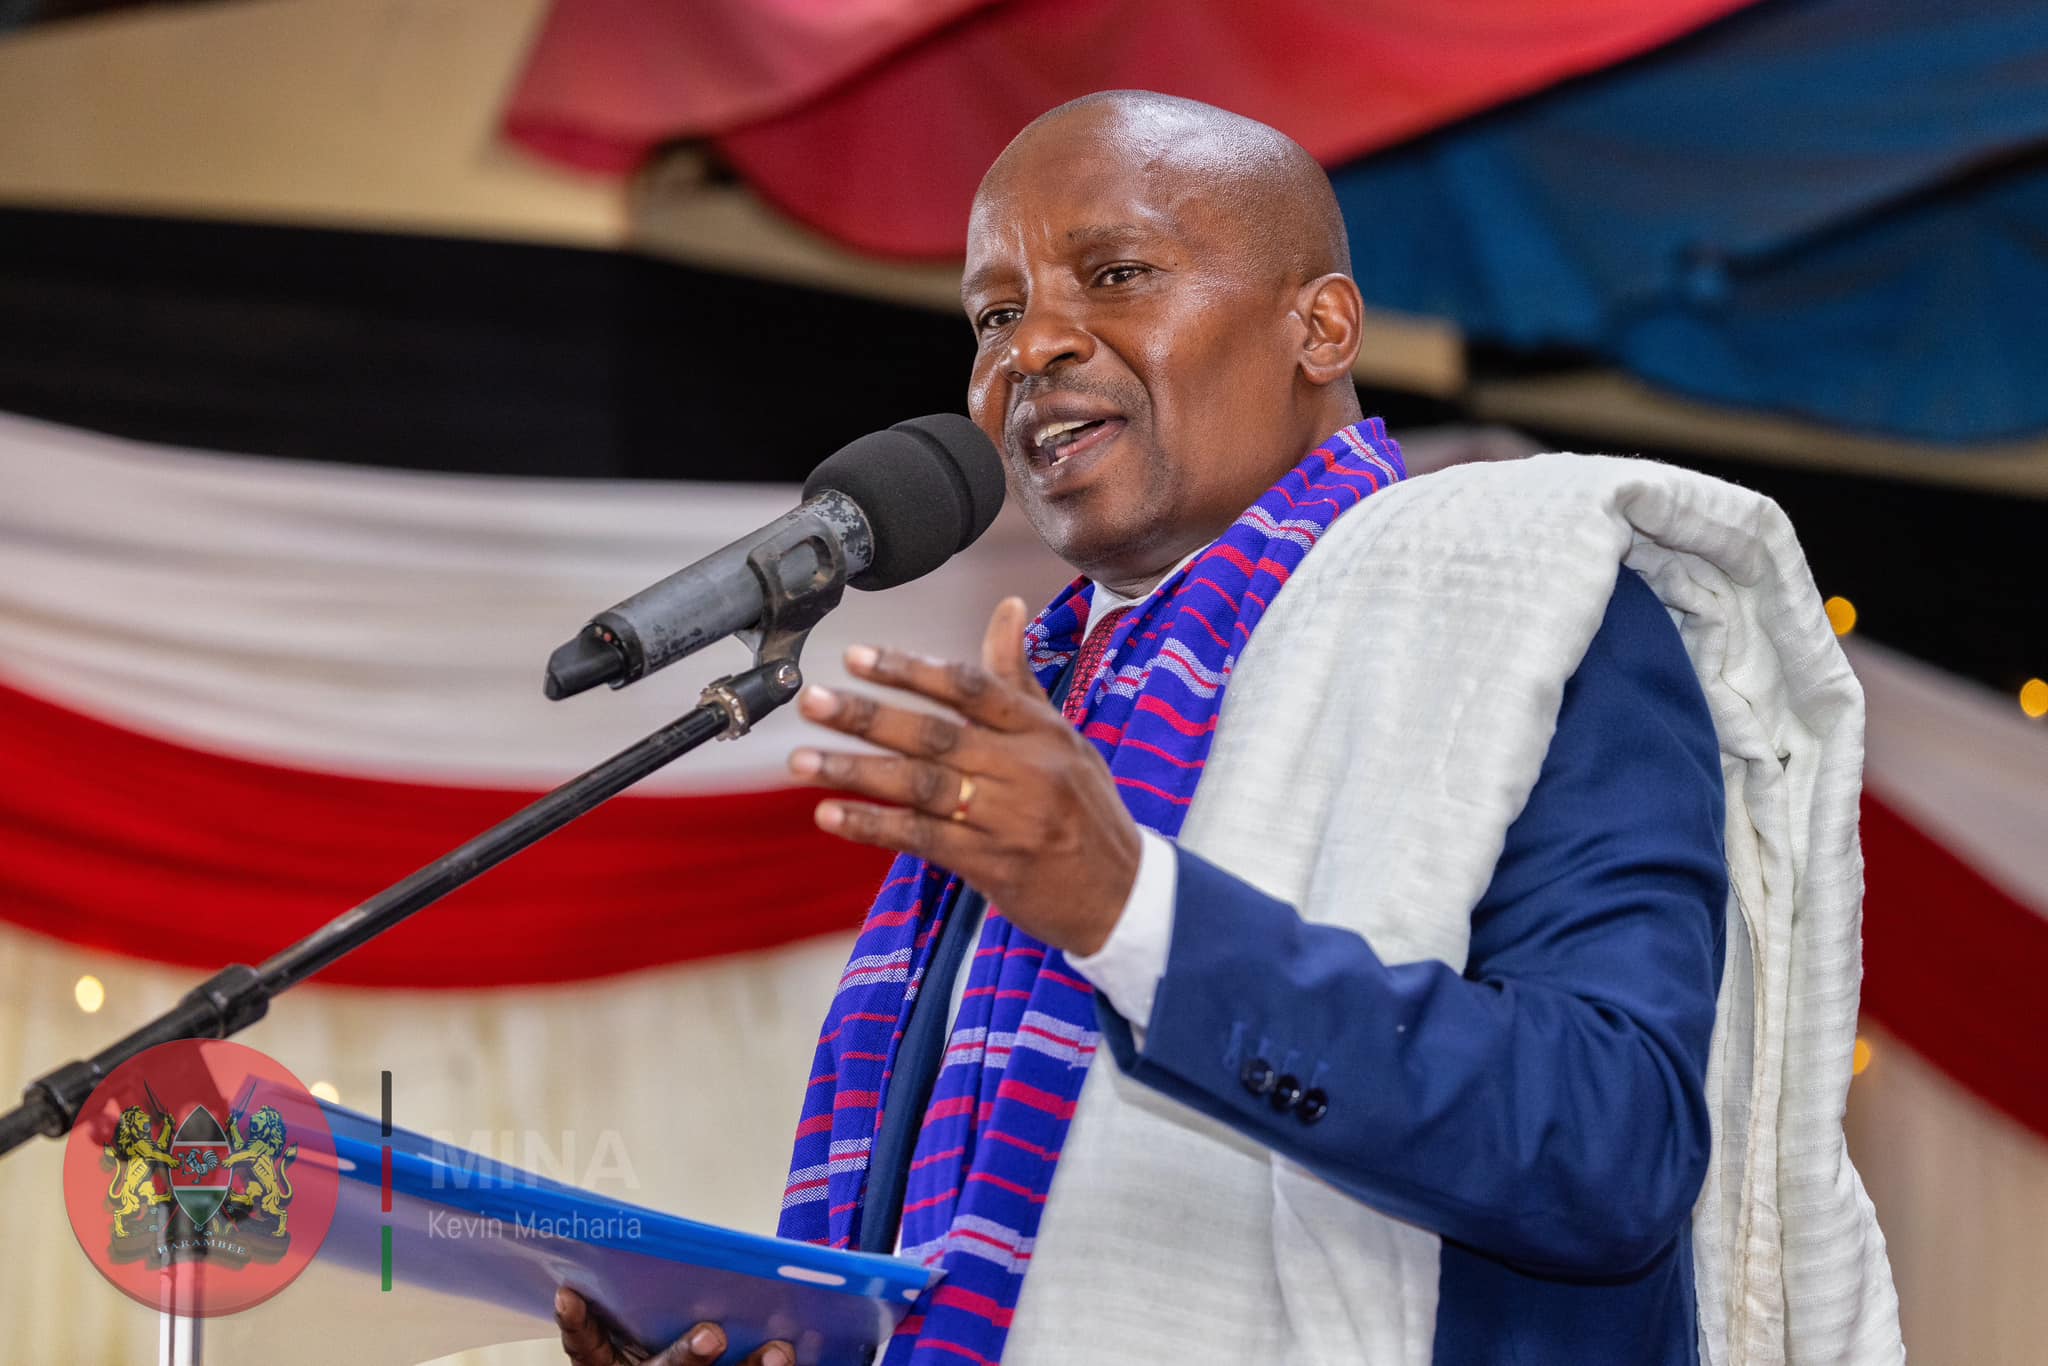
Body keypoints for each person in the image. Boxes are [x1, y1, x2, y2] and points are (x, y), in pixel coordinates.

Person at [561, 91, 1898, 1366]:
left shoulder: (1527, 603)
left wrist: (1137, 911)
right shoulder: (1058, 697)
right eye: (993, 313)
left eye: (1118, 273)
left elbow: (1617, 1148)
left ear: (1319, 329)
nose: (1030, 348)